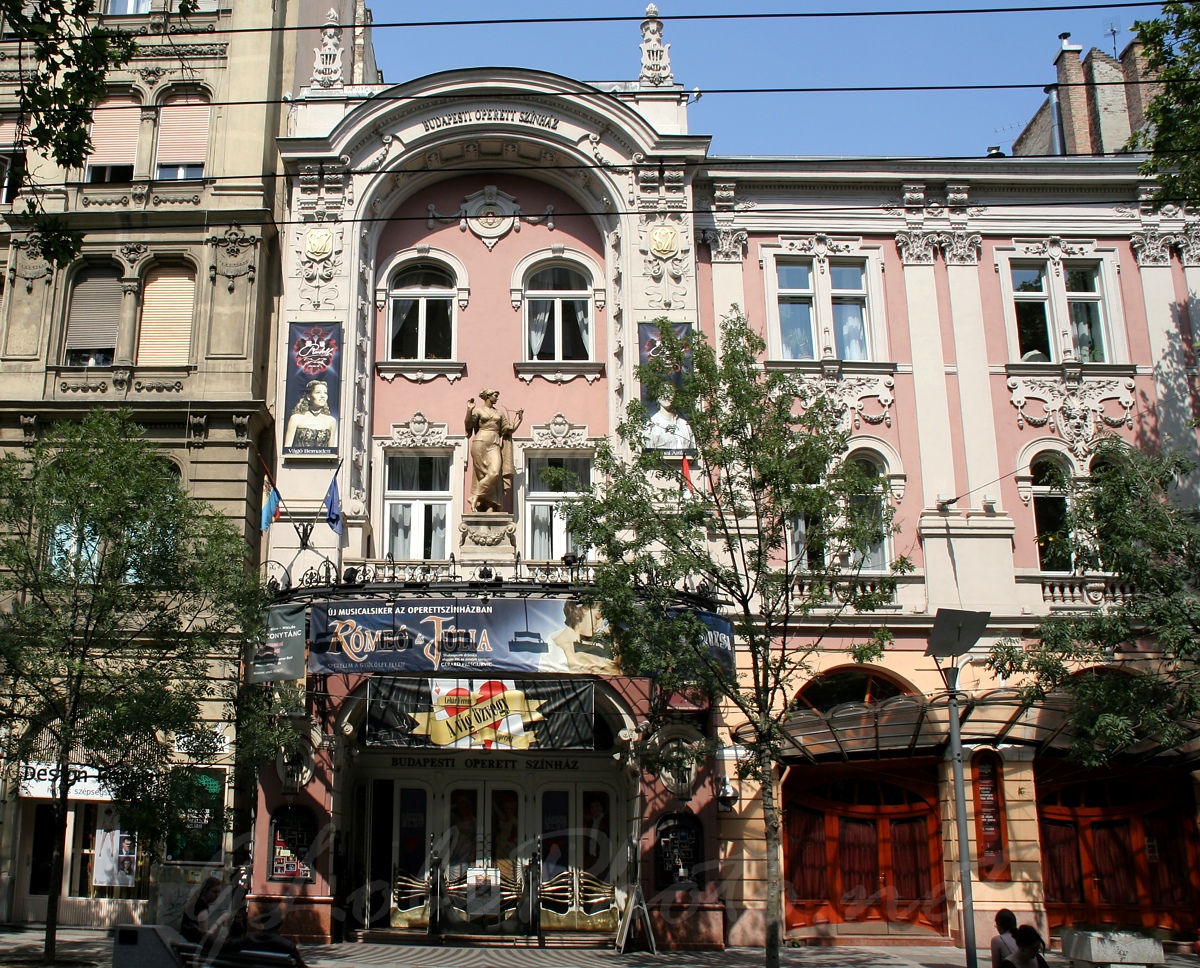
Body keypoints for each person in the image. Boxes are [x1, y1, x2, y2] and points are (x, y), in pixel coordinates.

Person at [464, 388, 523, 512]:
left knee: (495, 473)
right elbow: (469, 425)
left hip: (494, 444)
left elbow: (509, 429)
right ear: (488, 396)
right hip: (480, 442)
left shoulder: (500, 413)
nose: (497, 398)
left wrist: (520, 419)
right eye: (495, 395)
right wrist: (469, 410)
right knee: (483, 475)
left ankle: (475, 496)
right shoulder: (479, 411)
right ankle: (489, 505)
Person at [283, 379, 338, 451]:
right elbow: (287, 449)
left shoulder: (331, 421)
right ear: (309, 396)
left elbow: (331, 450)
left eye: (325, 393)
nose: (322, 396)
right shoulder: (296, 419)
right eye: (318, 392)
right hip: (298, 461)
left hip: (322, 462)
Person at [180, 876, 222, 943]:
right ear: (205, 891)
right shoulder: (202, 908)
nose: (217, 895)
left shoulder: (194, 903)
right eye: (214, 892)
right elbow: (205, 935)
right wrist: (219, 922)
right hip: (192, 945)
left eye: (219, 892)